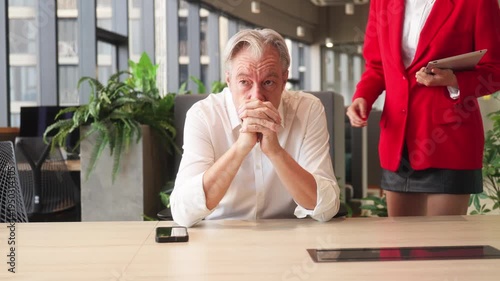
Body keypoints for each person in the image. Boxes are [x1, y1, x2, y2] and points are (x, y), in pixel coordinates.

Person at [170, 28, 340, 227]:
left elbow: (327, 208)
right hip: (220, 238)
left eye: (268, 82)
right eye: (244, 82)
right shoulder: (203, 116)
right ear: (229, 80)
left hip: (289, 238)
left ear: (284, 80)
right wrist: (241, 147)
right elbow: (183, 212)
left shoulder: (308, 110)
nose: (257, 96)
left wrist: (275, 151)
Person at [347, 0, 500, 216]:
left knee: (443, 247)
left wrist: (454, 80)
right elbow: (377, 65)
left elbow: (495, 69)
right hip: (398, 141)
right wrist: (363, 96)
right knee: (399, 247)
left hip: (448, 140)